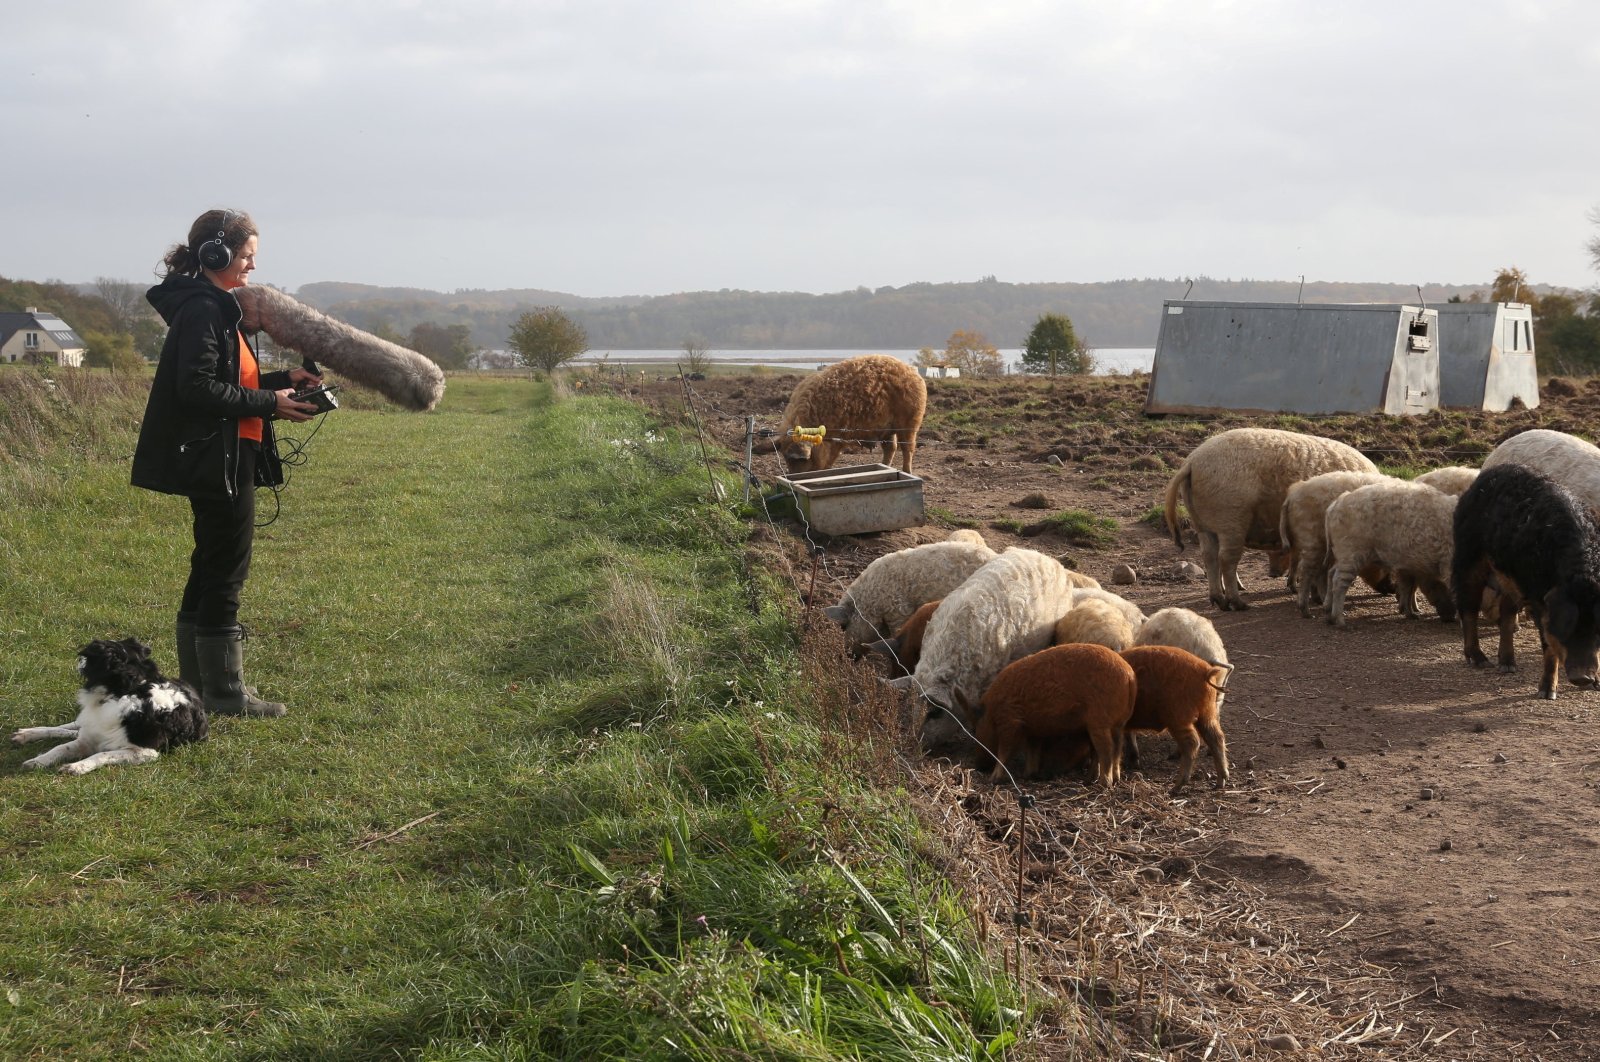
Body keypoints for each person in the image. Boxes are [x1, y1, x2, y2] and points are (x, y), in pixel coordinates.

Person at [131, 209, 321, 717]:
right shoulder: (205, 309)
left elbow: (227, 379)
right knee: (226, 570)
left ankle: (196, 688)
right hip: (219, 458)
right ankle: (223, 693)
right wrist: (271, 403)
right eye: (247, 256)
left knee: (211, 565)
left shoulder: (209, 305)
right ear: (216, 254)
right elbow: (195, 389)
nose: (252, 267)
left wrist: (283, 380)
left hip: (225, 451)